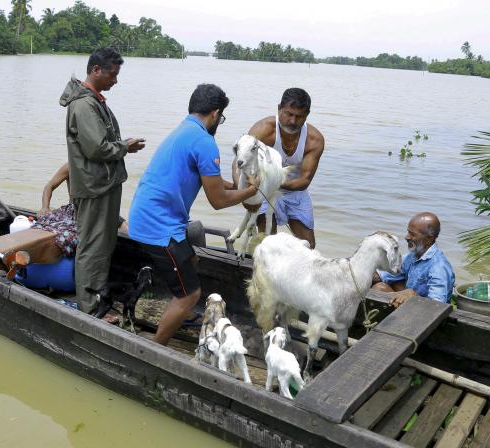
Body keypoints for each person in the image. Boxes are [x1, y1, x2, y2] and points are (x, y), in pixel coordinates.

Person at [129, 84, 260, 346]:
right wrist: (252, 192)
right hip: (159, 227)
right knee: (190, 294)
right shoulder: (204, 142)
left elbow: (211, 181)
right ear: (215, 114)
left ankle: (181, 315)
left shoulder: (185, 130)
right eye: (220, 118)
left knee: (192, 261)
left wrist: (237, 186)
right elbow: (218, 201)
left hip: (146, 216)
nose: (218, 122)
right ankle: (156, 349)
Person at [59, 47, 145, 313]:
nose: (115, 80)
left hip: (102, 184)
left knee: (101, 244)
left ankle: (96, 299)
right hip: (94, 187)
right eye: (112, 74)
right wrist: (124, 147)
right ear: (96, 70)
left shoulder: (93, 100)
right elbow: (96, 148)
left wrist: (120, 145)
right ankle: (89, 306)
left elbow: (98, 143)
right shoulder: (84, 104)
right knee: (93, 247)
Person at [235, 88, 325, 248]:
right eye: (288, 114)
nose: (292, 121)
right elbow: (239, 164)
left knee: (309, 246)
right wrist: (243, 195)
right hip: (263, 189)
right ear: (279, 108)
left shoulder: (314, 140)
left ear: (307, 115)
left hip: (294, 191)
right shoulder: (262, 131)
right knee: (268, 243)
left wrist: (273, 181)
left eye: (299, 116)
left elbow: (304, 181)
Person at [372, 212, 456, 307]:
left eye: (412, 234)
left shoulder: (439, 267)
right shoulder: (413, 255)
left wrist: (413, 295)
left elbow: (437, 306)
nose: (407, 237)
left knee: (379, 289)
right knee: (380, 286)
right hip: (412, 304)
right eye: (408, 232)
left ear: (429, 239)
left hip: (426, 315)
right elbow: (385, 274)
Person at [37, 162, 128, 232]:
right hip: (76, 211)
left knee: (126, 228)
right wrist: (45, 207)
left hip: (101, 212)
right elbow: (49, 186)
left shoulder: (103, 166)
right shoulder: (70, 166)